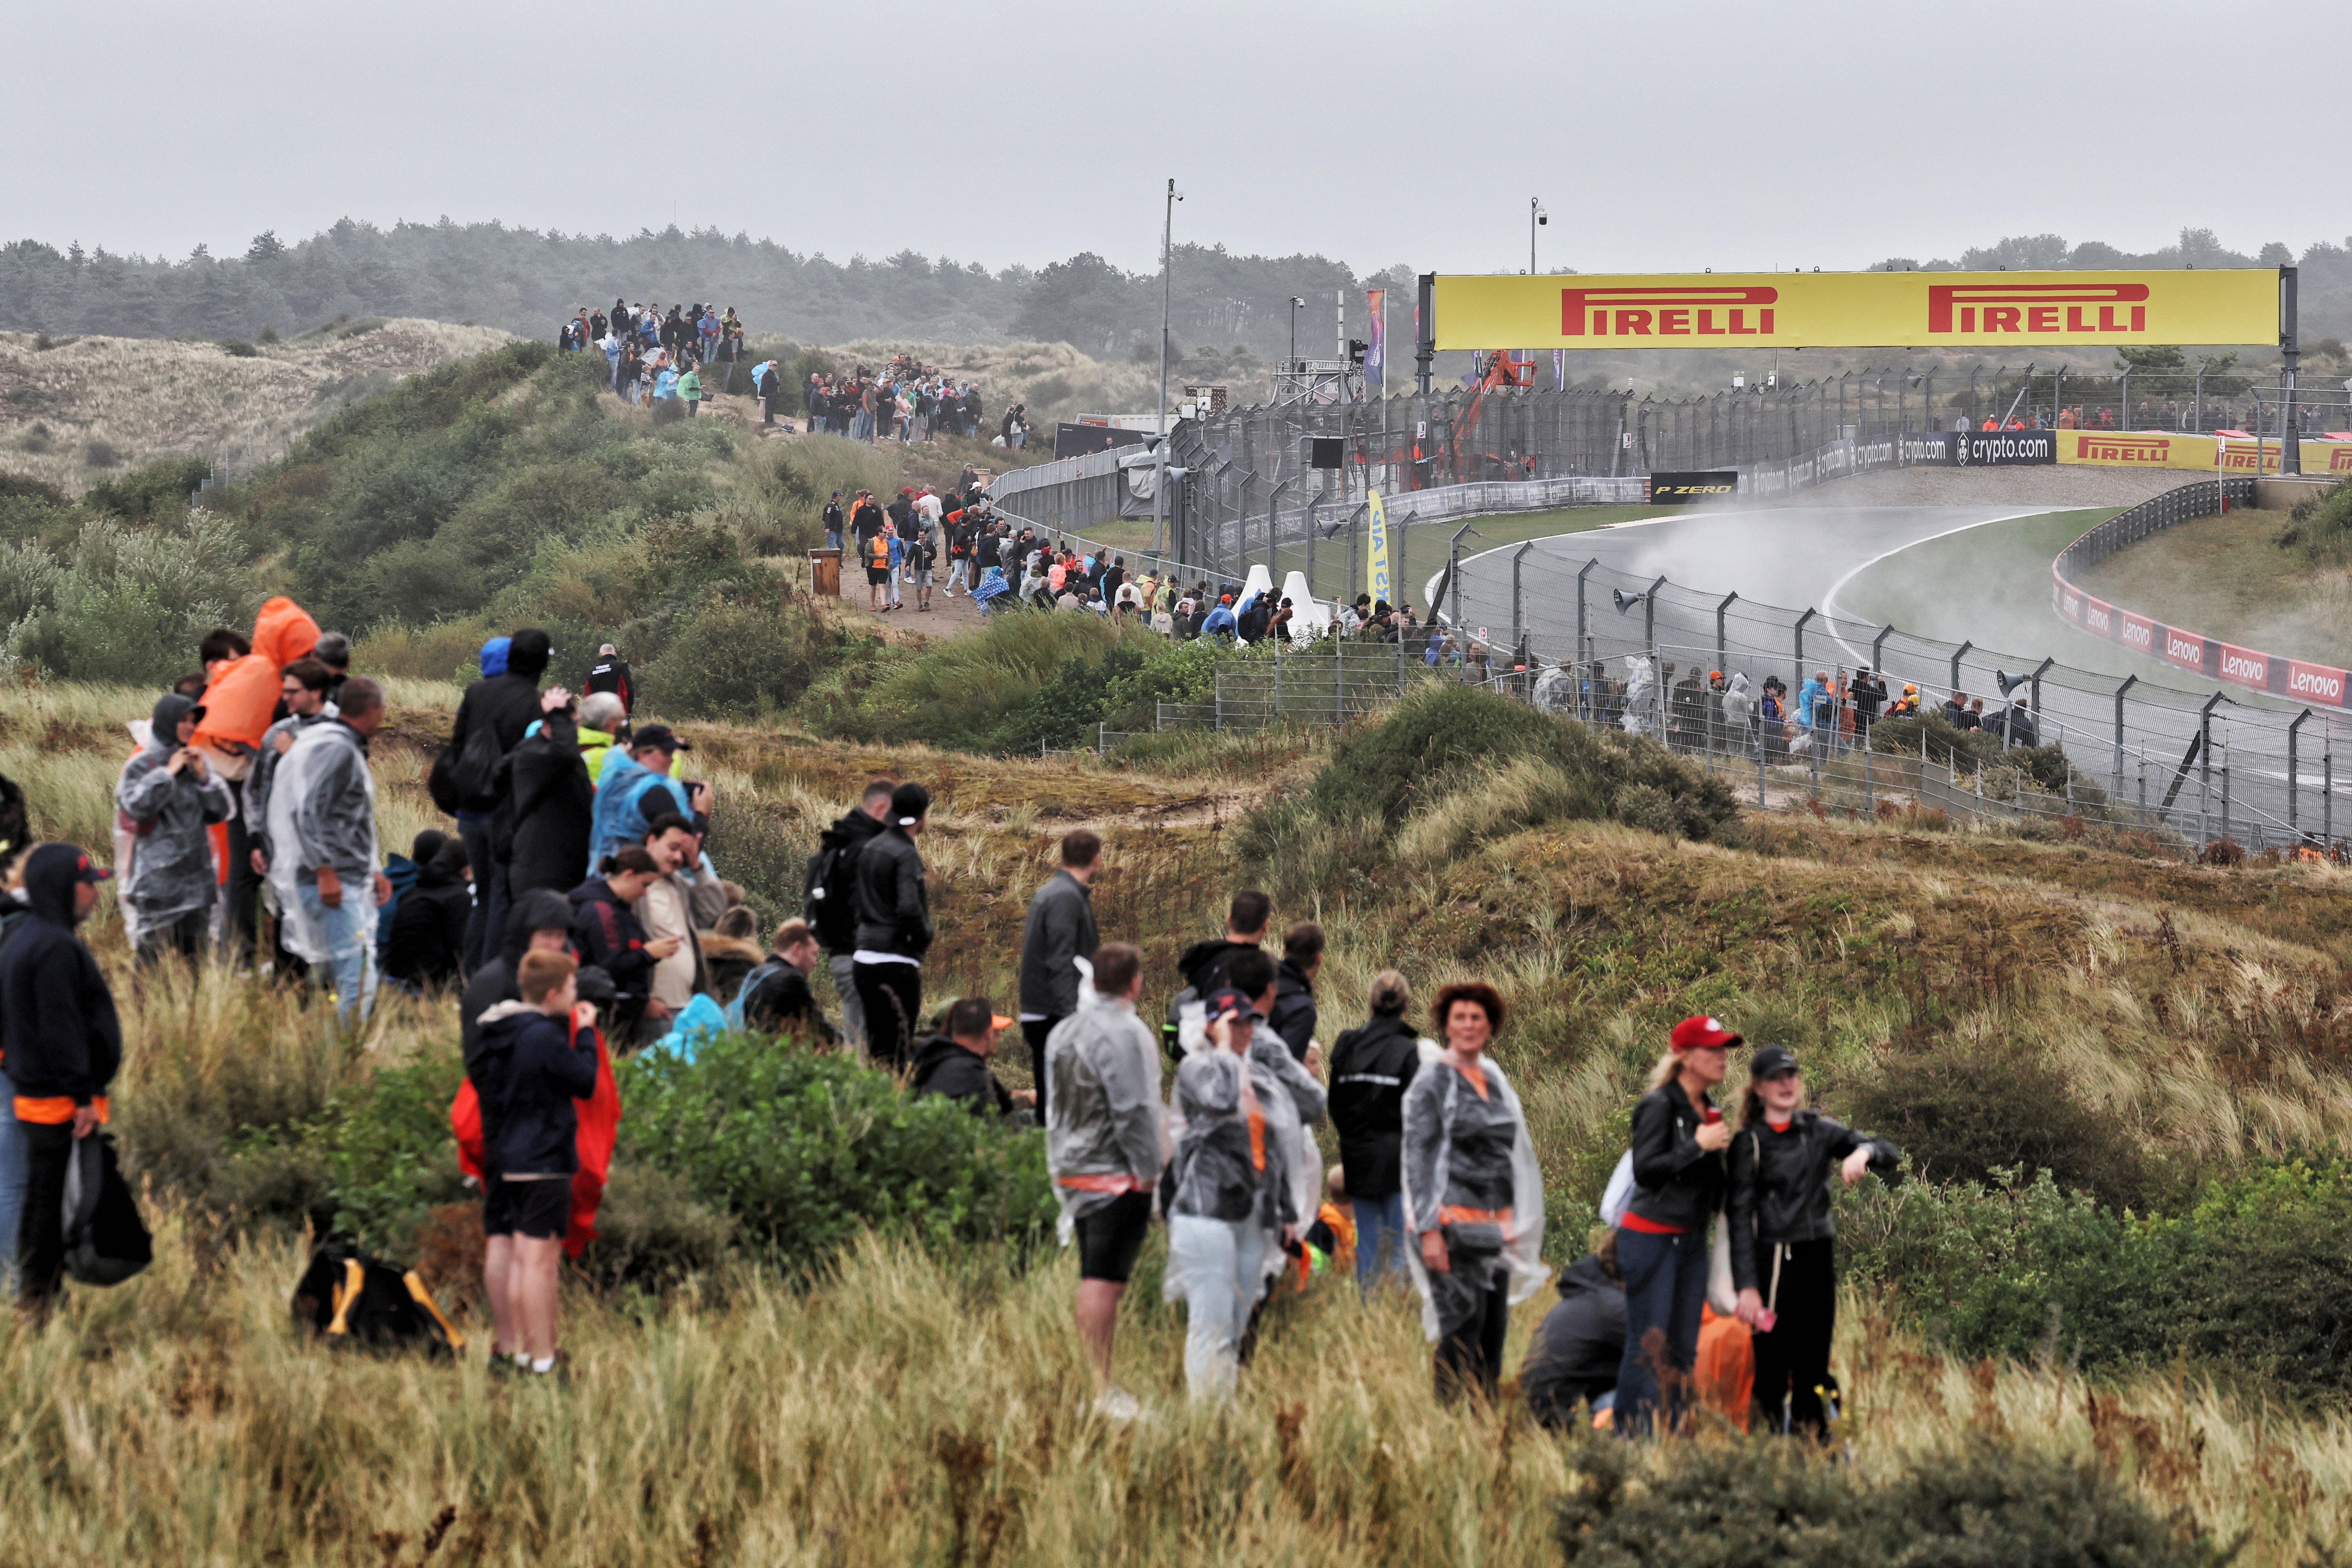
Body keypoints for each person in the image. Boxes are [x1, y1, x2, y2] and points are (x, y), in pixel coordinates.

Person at [1163, 983, 1323, 1403]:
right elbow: (1219, 1100)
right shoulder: (1200, 1069)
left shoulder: (1257, 1074)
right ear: (1214, 1027)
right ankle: (1204, 1420)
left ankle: (1225, 1408)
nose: (1245, 1032)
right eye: (1235, 1024)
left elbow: (1275, 1147)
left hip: (1255, 1215)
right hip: (1208, 1212)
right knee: (1210, 1323)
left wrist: (1286, 1212)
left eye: (1250, 1023)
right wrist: (1222, 1051)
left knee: (1236, 1324)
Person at [1728, 1044, 1899, 1439]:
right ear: (1758, 1088)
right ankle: (1765, 1458)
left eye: (1791, 1075)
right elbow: (1738, 1217)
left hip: (1816, 1259)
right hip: (1772, 1263)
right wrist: (1747, 1287)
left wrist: (1864, 1152)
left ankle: (1815, 1454)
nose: (1786, 1083)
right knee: (1771, 1369)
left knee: (1813, 1365)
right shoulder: (1748, 1143)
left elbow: (1887, 1150)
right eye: (1776, 1077)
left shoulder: (1819, 1130)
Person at [1403, 981, 1546, 1405]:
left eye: (1476, 1018)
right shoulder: (1432, 1081)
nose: (1468, 1025)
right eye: (1459, 1017)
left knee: (1493, 1333)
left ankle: (1484, 1424)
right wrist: (1428, 1230)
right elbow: (1417, 1157)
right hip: (1449, 1227)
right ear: (1446, 1024)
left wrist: (1515, 1220)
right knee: (1461, 1330)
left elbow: (1512, 1155)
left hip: (1493, 1230)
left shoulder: (1494, 1078)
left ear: (1491, 1025)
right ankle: (1446, 1422)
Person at [1044, 941, 1163, 1421]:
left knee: (1095, 1275)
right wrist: (1151, 1172)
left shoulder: (1064, 1032)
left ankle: (1096, 1381)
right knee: (1104, 1280)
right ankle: (1100, 1386)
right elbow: (1134, 1109)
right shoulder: (1126, 1033)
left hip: (1073, 1167)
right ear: (1135, 982)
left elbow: (1055, 1105)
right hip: (1114, 1174)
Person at [0, 845, 119, 1313]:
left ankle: (33, 1289)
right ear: (62, 889)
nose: (95, 893)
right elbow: (61, 1030)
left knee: (37, 1196)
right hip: (52, 1098)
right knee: (44, 1201)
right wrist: (82, 1094)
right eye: (88, 883)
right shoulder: (51, 945)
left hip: (36, 1091)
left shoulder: (29, 936)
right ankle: (37, 1297)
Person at [473, 949, 600, 1379]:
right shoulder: (542, 1036)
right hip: (544, 1156)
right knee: (539, 1262)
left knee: (519, 1257)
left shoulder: (500, 1031)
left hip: (509, 1154)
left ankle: (522, 1354)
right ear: (553, 993)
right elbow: (583, 1080)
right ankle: (544, 1361)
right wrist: (584, 1034)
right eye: (572, 987)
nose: (575, 993)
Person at [1613, 1014, 1737, 1438]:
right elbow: (1647, 1171)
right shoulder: (1659, 1105)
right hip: (1650, 1238)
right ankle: (1631, 1444)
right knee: (1648, 1346)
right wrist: (1696, 1146)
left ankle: (1680, 1443)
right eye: (1713, 1049)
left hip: (1690, 1242)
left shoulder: (1710, 1109)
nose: (1723, 1058)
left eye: (1725, 1049)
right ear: (1685, 1057)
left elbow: (1714, 1187)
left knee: (1684, 1348)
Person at [269, 677, 392, 1027]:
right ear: (371, 710)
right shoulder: (336, 749)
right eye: (382, 710)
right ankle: (344, 1062)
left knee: (345, 973)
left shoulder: (332, 742)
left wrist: (372, 868)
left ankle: (330, 1051)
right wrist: (324, 870)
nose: (383, 717)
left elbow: (349, 819)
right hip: (332, 881)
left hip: (345, 876)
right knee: (358, 975)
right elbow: (306, 811)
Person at [446, 628, 555, 975]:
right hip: (505, 814)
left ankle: (470, 975)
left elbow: (458, 748)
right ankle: (490, 978)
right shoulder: (535, 704)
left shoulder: (476, 693)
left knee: (483, 898)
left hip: (469, 809)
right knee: (502, 897)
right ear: (542, 664)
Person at [116, 692, 235, 967]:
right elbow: (136, 807)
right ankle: (148, 1011)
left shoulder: (196, 763)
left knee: (196, 964)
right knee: (151, 965)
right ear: (168, 722)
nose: (190, 727)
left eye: (193, 721)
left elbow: (219, 812)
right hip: (157, 886)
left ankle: (192, 1011)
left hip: (197, 883)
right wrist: (167, 774)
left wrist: (205, 779)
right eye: (183, 720)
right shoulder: (142, 765)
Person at [1327, 969, 1423, 1289]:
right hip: (1397, 1161)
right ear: (1406, 1004)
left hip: (1358, 1157)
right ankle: (1394, 1315)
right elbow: (1418, 1113)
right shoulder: (1408, 1052)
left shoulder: (1347, 1045)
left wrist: (1353, 1139)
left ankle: (1370, 1310)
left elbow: (1336, 1104)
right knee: (1399, 1242)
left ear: (1370, 1003)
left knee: (1367, 1240)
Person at [804, 777, 893, 1050]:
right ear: (880, 808)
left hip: (844, 955)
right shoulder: (865, 848)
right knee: (865, 1051)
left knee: (860, 1044)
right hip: (861, 957)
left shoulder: (839, 842)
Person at [1018, 829, 1101, 1120]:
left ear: (1062, 857)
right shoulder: (1065, 898)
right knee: (1058, 1108)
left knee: (1057, 1103)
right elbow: (1060, 961)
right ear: (1098, 860)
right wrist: (1071, 1018)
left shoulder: (1060, 894)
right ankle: (1046, 1159)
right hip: (1053, 1015)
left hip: (1047, 1012)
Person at [852, 782, 933, 1071]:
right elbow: (909, 907)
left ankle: (872, 1106)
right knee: (899, 1047)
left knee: (877, 1045)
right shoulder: (905, 853)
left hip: (864, 958)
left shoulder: (871, 847)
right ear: (923, 816)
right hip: (895, 960)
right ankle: (893, 1108)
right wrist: (924, 936)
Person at [462, 889, 586, 1067]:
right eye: (546, 935)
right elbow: (479, 1061)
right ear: (525, 935)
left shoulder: (561, 977)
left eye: (560, 936)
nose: (554, 946)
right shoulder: (492, 983)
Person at [568, 846, 678, 1044]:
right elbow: (610, 965)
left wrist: (642, 1000)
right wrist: (648, 953)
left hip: (622, 1012)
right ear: (629, 875)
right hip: (608, 1016)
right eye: (644, 885)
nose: (645, 894)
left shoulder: (619, 909)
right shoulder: (602, 911)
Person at [1522, 1241, 1629, 1432]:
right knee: (1647, 1383)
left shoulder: (1590, 1295)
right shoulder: (1613, 1307)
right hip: (1558, 1417)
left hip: (1538, 1409)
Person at [586, 726, 706, 872]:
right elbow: (685, 852)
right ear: (642, 753)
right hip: (642, 882)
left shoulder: (613, 782)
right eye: (666, 753)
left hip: (604, 875)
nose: (672, 760)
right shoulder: (654, 793)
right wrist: (701, 813)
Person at [910, 997, 1031, 1119]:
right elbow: (993, 1122)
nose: (999, 1035)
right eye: (995, 1031)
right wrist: (1027, 1102)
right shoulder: (972, 1075)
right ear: (988, 1034)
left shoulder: (929, 1061)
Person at [638, 815, 707, 1026]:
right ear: (652, 841)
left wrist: (696, 864)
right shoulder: (634, 888)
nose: (678, 858)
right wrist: (642, 1001)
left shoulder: (680, 886)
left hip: (687, 1007)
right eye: (673, 848)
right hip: (656, 1011)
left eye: (683, 853)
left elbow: (714, 910)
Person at [383, 833, 470, 991]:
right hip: (429, 985)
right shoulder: (458, 897)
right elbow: (461, 950)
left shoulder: (413, 890)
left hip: (393, 979)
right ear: (466, 867)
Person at [731, 917, 837, 1042]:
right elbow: (821, 1030)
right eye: (813, 954)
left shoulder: (758, 973)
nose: (815, 963)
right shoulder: (789, 979)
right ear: (797, 949)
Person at [1269, 921, 1322, 1064]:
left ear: (1284, 952)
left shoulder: (1261, 982)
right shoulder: (1302, 1008)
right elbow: (1286, 1065)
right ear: (1319, 959)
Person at [583, 645, 634, 716]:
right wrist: (628, 711)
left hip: (598, 714)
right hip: (617, 712)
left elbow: (588, 694)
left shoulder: (591, 671)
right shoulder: (621, 666)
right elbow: (628, 690)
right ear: (615, 654)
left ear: (600, 654)